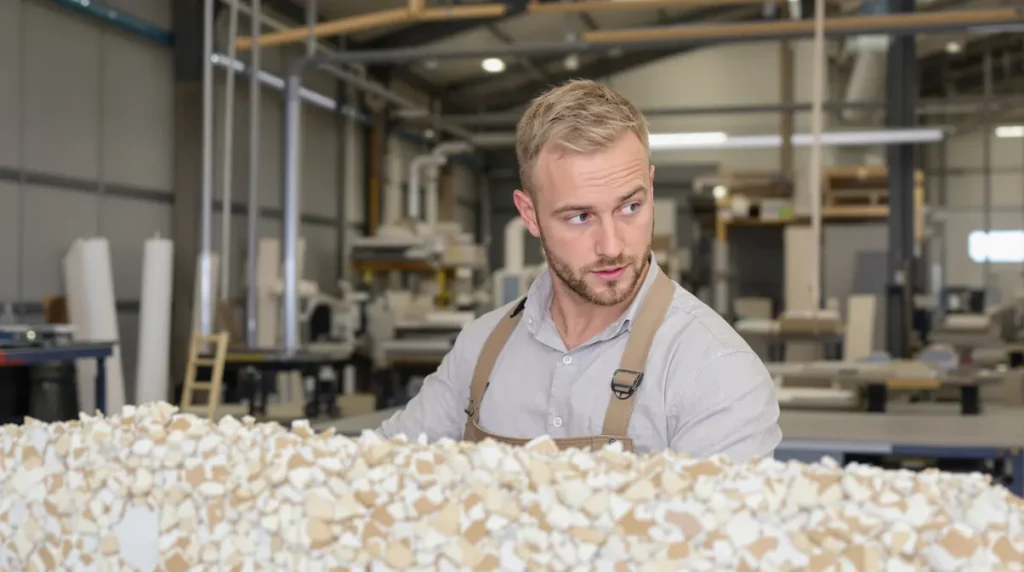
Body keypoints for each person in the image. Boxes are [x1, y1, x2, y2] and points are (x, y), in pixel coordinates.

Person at [377, 79, 781, 462]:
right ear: (529, 214)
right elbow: (382, 471)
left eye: (630, 207)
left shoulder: (715, 370)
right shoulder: (481, 349)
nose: (612, 246)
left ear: (651, 189)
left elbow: (717, 533)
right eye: (580, 216)